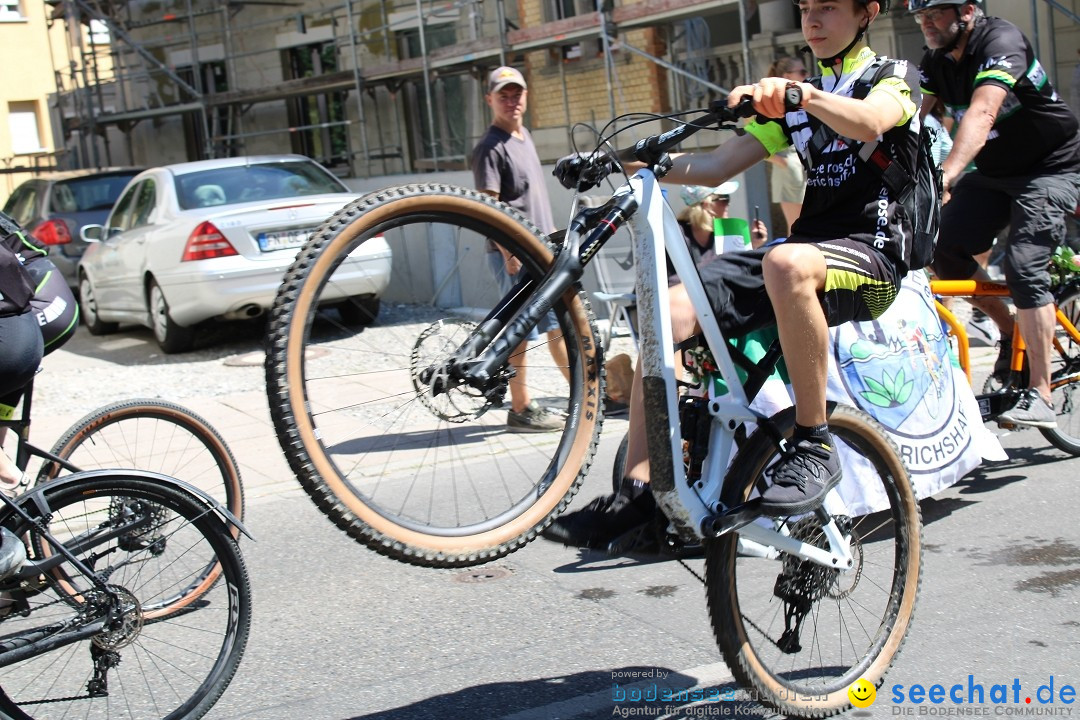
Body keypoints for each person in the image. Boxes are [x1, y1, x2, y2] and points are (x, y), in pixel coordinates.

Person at [545, 0, 921, 549]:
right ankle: (640, 491)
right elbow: (716, 167)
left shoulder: (892, 76)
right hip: (802, 253)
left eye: (829, 8)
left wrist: (803, 94)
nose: (812, 20)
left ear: (867, 13)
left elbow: (872, 120)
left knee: (784, 260)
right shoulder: (795, 110)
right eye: (806, 8)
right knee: (669, 309)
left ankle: (815, 446)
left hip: (872, 255)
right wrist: (619, 160)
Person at [913, 0, 1080, 428]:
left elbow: (984, 112)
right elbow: (910, 119)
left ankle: (1041, 392)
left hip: (1052, 168)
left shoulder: (1000, 41)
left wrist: (945, 176)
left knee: (1025, 266)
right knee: (939, 247)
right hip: (994, 174)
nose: (927, 23)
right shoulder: (935, 62)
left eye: (936, 13)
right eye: (921, 17)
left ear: (967, 11)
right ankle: (1008, 331)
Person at [472, 66, 571, 432]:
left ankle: (585, 394)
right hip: (513, 256)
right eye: (503, 95)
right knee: (520, 333)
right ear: (490, 100)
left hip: (539, 254)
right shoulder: (490, 147)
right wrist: (508, 251)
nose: (512, 101)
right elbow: (488, 208)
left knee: (558, 326)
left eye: (517, 94)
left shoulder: (523, 135)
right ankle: (521, 408)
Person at [766, 56, 809, 236]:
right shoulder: (774, 102)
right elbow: (754, 138)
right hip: (788, 165)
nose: (807, 75)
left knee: (804, 223)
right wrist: (780, 162)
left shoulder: (797, 101)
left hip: (800, 164)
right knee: (795, 226)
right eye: (802, 72)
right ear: (787, 75)